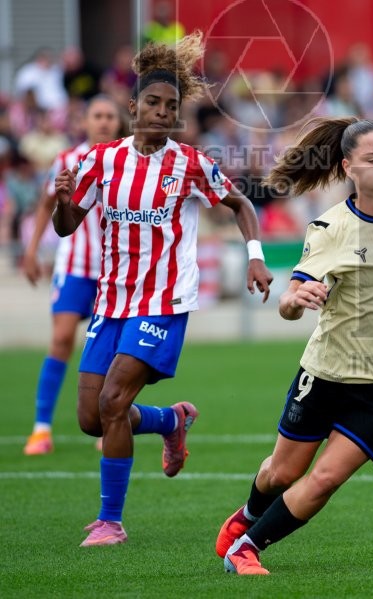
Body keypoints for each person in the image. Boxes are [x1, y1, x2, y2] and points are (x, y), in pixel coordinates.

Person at [52, 32, 273, 547]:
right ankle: (171, 420)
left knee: (112, 398)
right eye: (152, 102)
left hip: (165, 302)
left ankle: (111, 521)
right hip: (112, 301)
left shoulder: (189, 163)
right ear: (133, 106)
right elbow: (67, 227)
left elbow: (240, 204)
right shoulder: (100, 161)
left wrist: (255, 257)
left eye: (170, 106)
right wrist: (64, 202)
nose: (160, 112)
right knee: (92, 419)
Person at [215, 117, 373, 575]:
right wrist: (292, 301)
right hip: (326, 372)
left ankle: (247, 546)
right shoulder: (330, 227)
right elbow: (292, 300)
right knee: (282, 474)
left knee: (326, 479)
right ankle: (249, 513)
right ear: (349, 167)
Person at [22, 95, 123, 455]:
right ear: (85, 121)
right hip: (75, 268)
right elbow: (46, 204)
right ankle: (41, 428)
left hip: (113, 272)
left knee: (111, 354)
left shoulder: (125, 160)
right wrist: (32, 251)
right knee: (62, 339)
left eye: (110, 116)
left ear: (118, 121)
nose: (104, 122)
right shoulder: (66, 160)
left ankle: (105, 424)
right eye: (97, 115)